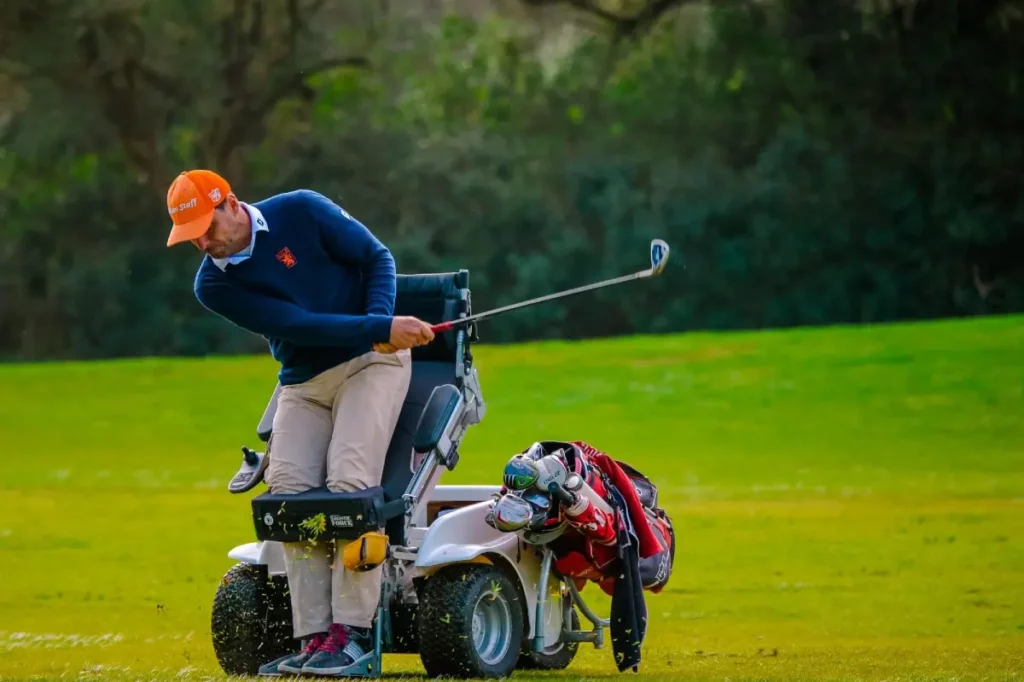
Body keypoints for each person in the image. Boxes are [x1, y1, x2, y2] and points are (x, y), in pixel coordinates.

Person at [164, 169, 435, 677]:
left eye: (206, 226)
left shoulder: (303, 210)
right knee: (288, 496)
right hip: (304, 382)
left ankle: (352, 637)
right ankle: (315, 639)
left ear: (230, 203)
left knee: (349, 485)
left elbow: (377, 258)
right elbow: (297, 326)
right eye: (190, 236)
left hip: (373, 365)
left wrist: (379, 328)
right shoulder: (213, 285)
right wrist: (379, 325)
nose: (202, 242)